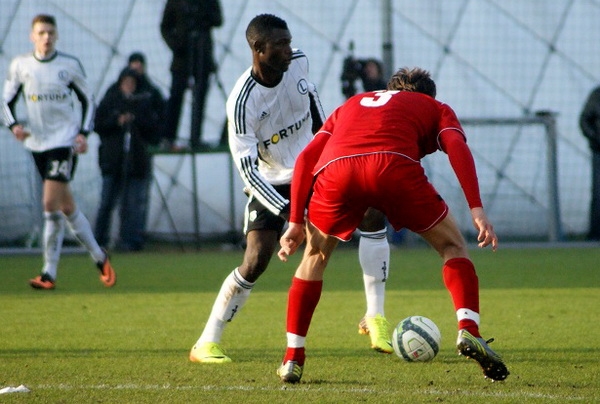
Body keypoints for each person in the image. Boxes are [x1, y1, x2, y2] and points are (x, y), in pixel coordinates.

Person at [276, 67, 509, 383]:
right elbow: (456, 145)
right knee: (452, 245)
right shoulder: (433, 107)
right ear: (426, 95)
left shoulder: (351, 104)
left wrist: (294, 222)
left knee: (314, 257)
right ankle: (468, 329)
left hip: (337, 172)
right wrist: (476, 209)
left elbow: (305, 159)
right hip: (394, 165)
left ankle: (293, 358)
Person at [188, 14, 393, 364]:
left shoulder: (298, 61)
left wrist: (335, 153)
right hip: (270, 182)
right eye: (280, 45)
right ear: (258, 49)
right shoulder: (242, 103)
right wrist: (292, 215)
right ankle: (206, 342)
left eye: (288, 41)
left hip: (314, 169)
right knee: (255, 259)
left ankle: (375, 317)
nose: (288, 49)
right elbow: (249, 172)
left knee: (372, 211)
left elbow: (315, 108)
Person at [1, 14, 116, 289]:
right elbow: (6, 101)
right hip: (37, 144)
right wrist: (14, 125)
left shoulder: (69, 65)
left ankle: (48, 272)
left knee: (49, 204)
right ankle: (100, 256)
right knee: (66, 207)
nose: (46, 37)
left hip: (63, 143)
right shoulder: (21, 66)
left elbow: (88, 100)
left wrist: (83, 134)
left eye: (50, 32)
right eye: (41, 32)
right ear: (32, 36)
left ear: (57, 35)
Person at [93, 68, 162, 252]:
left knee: (132, 204)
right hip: (112, 162)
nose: (129, 86)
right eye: (126, 82)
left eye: (133, 83)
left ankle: (130, 241)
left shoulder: (143, 102)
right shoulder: (110, 100)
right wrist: (117, 120)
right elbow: (98, 124)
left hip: (136, 163)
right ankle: (98, 240)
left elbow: (153, 128)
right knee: (107, 202)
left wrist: (135, 120)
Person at [160, 0, 223, 150]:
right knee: (176, 95)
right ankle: (168, 137)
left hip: (202, 53)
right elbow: (165, 26)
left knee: (200, 96)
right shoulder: (174, 2)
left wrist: (203, 14)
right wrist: (176, 45)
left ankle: (196, 138)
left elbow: (218, 20)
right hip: (182, 56)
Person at [579, 87, 600, 241]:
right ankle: (595, 234)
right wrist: (595, 139)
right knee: (598, 194)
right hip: (599, 151)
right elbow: (585, 120)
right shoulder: (597, 95)